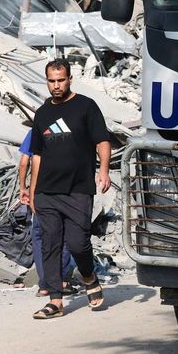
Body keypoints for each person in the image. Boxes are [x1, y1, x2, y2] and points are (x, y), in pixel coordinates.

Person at [30, 59, 111, 320]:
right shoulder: (42, 113)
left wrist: (104, 170)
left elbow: (102, 141)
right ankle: (55, 300)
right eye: (52, 81)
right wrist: (32, 192)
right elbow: (37, 156)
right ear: (47, 81)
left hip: (78, 189)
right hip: (46, 192)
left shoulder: (85, 106)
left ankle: (89, 277)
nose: (56, 85)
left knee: (78, 244)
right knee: (51, 245)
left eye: (61, 80)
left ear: (70, 79)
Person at [17, 129, 76, 297]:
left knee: (39, 236)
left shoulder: (35, 131)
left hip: (40, 191)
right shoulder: (69, 130)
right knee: (64, 235)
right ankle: (61, 280)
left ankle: (45, 284)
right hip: (66, 189)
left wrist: (23, 187)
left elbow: (23, 162)